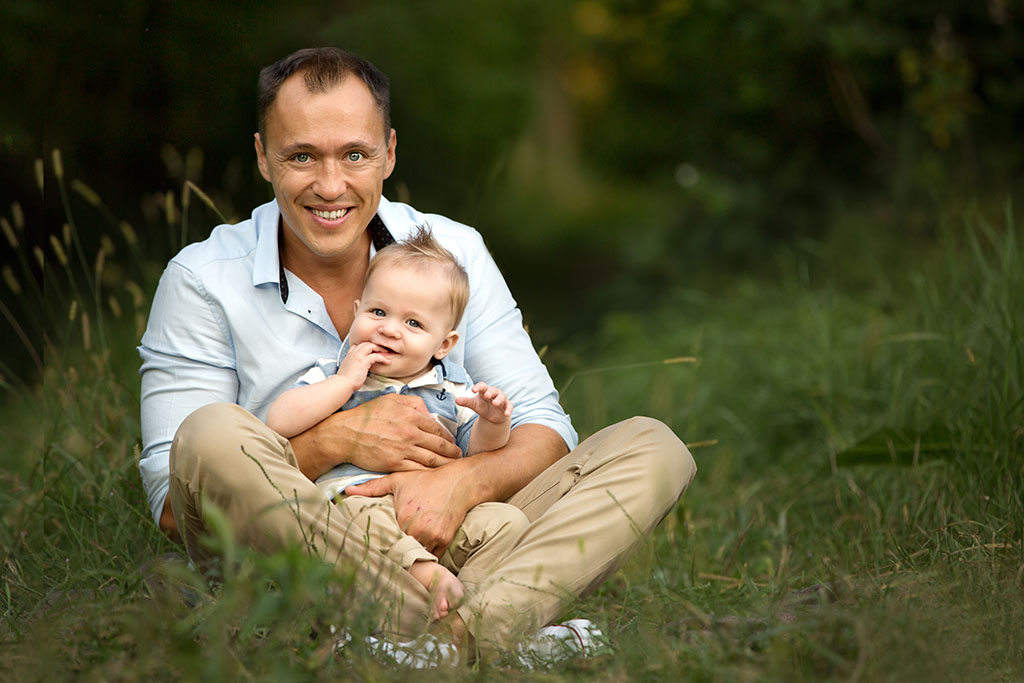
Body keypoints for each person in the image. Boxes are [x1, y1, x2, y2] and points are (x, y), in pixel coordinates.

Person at [138, 46, 696, 661]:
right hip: (301, 540)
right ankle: (489, 631)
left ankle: (438, 642)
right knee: (211, 432)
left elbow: (547, 429)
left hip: (456, 533)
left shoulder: (453, 252)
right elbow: (176, 501)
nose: (330, 186)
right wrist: (340, 441)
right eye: (301, 156)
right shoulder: (202, 279)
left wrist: (463, 480)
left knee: (653, 446)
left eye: (355, 154)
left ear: (389, 153)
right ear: (263, 158)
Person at [265, 227, 528, 621]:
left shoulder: (451, 387)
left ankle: (475, 611)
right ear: (356, 312)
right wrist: (344, 383)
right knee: (364, 519)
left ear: (444, 344)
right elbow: (278, 421)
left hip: (435, 509)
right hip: (355, 501)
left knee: (507, 521)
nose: (389, 328)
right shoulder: (334, 374)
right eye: (378, 312)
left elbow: (477, 451)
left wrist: (494, 421)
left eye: (414, 324)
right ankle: (427, 581)